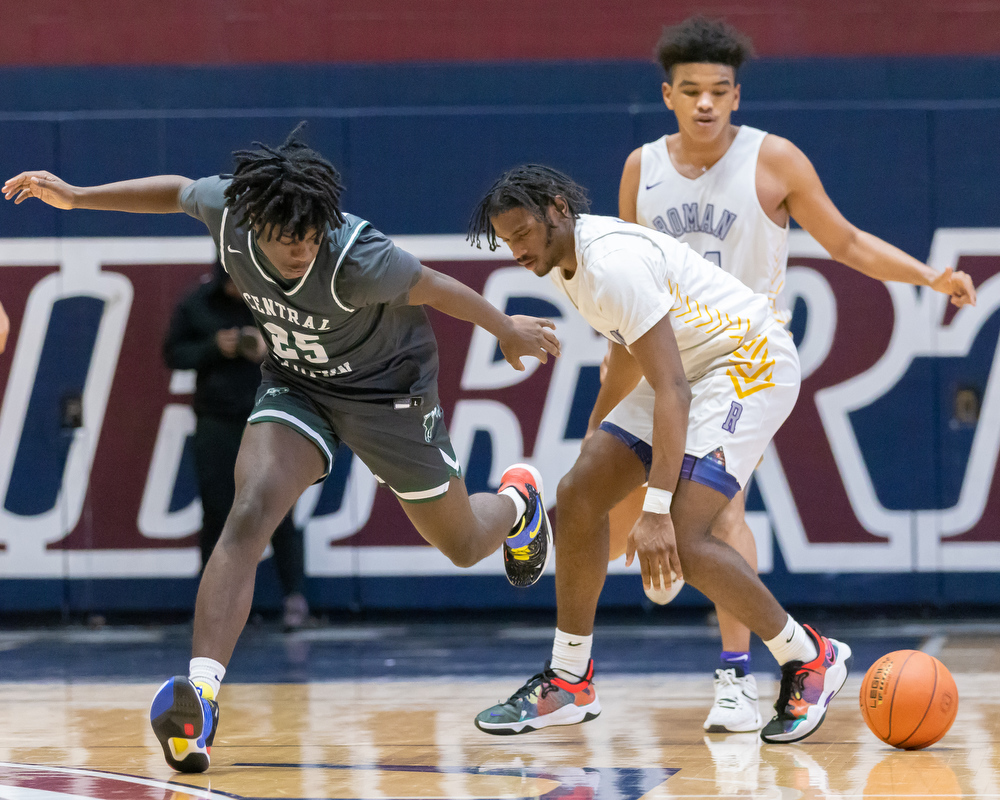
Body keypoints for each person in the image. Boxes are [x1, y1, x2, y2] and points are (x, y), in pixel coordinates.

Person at [2, 125, 559, 773]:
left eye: (311, 234)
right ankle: (202, 702)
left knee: (462, 544)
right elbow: (177, 191)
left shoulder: (361, 257)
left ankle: (518, 502)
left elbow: (436, 285)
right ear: (252, 221)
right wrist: (77, 196)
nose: (300, 248)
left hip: (389, 393)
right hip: (299, 384)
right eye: (286, 236)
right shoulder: (232, 208)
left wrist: (507, 328)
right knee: (249, 510)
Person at [607, 15, 977, 734]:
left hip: (747, 361)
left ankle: (738, 678)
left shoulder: (773, 160)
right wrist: (609, 395)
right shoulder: (639, 170)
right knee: (647, 524)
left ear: (737, 96)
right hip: (670, 365)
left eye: (720, 90)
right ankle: (695, 666)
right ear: (668, 95)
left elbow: (845, 241)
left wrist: (927, 276)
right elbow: (628, 294)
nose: (707, 104)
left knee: (717, 514)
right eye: (692, 91)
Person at [467, 163, 851, 744]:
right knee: (576, 497)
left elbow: (671, 389)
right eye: (506, 239)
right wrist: (598, 446)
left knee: (686, 537)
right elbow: (629, 350)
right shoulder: (568, 261)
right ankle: (570, 680)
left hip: (749, 362)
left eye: (522, 232)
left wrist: (653, 510)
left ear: (557, 208)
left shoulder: (610, 264)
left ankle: (809, 656)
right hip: (694, 367)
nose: (516, 248)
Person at [163, 260, 310, 630]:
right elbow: (173, 353)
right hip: (216, 419)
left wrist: (269, 347)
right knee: (216, 510)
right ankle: (210, 604)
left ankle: (294, 597)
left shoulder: (275, 301)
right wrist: (215, 346)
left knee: (279, 507)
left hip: (267, 416)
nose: (239, 293)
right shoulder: (197, 303)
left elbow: (308, 351)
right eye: (232, 286)